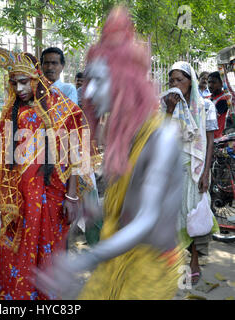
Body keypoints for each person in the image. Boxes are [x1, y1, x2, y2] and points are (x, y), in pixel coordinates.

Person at [33, 6, 184, 300]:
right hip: (115, 255)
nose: (87, 93)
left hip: (150, 268)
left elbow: (146, 219)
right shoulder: (121, 133)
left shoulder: (163, 137)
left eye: (99, 81)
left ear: (124, 82)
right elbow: (127, 202)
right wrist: (94, 208)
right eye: (89, 81)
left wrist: (83, 260)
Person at [0, 48, 96, 300]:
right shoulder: (12, 111)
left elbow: (75, 153)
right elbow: (5, 159)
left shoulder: (61, 108)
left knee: (48, 252)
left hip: (51, 195)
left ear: (36, 78)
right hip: (19, 199)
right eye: (14, 83)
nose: (20, 88)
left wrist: (73, 196)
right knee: (17, 250)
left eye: (24, 81)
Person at [162, 61, 220, 286]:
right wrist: (168, 109)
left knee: (194, 216)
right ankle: (177, 261)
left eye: (179, 80)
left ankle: (194, 261)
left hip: (195, 170)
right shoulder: (167, 104)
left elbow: (210, 141)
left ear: (190, 82)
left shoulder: (206, 106)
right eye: (172, 81)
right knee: (174, 216)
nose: (175, 85)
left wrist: (206, 172)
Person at [208, 71, 232, 139]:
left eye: (214, 82)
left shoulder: (224, 99)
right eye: (209, 82)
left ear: (221, 84)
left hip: (218, 138)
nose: (210, 85)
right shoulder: (208, 98)